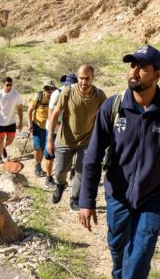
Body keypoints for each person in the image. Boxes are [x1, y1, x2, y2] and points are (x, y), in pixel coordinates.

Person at [78, 45, 160, 279]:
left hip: (152, 196)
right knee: (118, 250)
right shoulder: (113, 107)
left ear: (157, 74)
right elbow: (93, 155)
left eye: (142, 68)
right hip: (117, 195)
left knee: (141, 253)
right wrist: (87, 201)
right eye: (132, 66)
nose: (134, 72)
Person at [47, 65, 107, 211]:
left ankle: (75, 198)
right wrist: (50, 139)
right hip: (65, 139)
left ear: (93, 78)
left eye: (87, 78)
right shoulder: (68, 91)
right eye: (81, 78)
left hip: (86, 141)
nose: (84, 82)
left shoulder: (99, 95)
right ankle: (61, 185)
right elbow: (55, 113)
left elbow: (105, 117)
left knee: (81, 172)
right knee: (60, 171)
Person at [44, 74, 78, 189]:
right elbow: (50, 116)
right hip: (54, 129)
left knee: (68, 154)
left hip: (67, 130)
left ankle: (70, 173)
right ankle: (48, 178)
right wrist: (62, 126)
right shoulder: (57, 94)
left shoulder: (77, 93)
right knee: (50, 154)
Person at [0, 77, 23, 164]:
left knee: (10, 140)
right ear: (3, 85)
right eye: (7, 85)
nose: (9, 87)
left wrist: (21, 122)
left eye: (10, 85)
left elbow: (20, 108)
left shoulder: (15, 94)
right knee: (1, 139)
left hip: (11, 122)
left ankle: (3, 147)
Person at [28, 79, 57, 177]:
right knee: (37, 147)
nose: (49, 91)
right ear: (44, 89)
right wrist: (30, 124)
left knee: (47, 149)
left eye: (51, 89)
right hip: (37, 125)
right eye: (47, 89)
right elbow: (29, 110)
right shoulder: (38, 97)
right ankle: (38, 166)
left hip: (49, 127)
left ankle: (47, 169)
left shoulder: (56, 98)